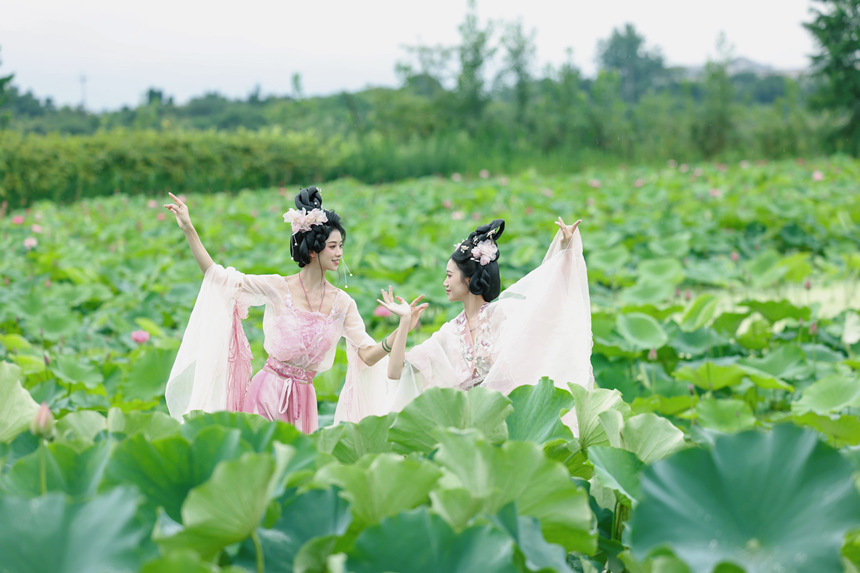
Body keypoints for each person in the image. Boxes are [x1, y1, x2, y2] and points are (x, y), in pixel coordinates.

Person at [163, 187, 426, 432]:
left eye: (340, 247)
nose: (339, 254)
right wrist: (189, 229)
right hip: (267, 392)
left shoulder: (342, 303)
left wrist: (401, 326)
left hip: (304, 400)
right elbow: (218, 277)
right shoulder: (278, 288)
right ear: (313, 250)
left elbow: (367, 356)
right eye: (333, 247)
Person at [349, 216, 593, 425]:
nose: (444, 283)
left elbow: (549, 306)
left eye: (449, 276)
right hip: (465, 429)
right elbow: (395, 372)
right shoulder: (450, 332)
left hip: (508, 423)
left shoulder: (502, 315)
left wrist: (565, 248)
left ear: (468, 280)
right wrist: (404, 323)